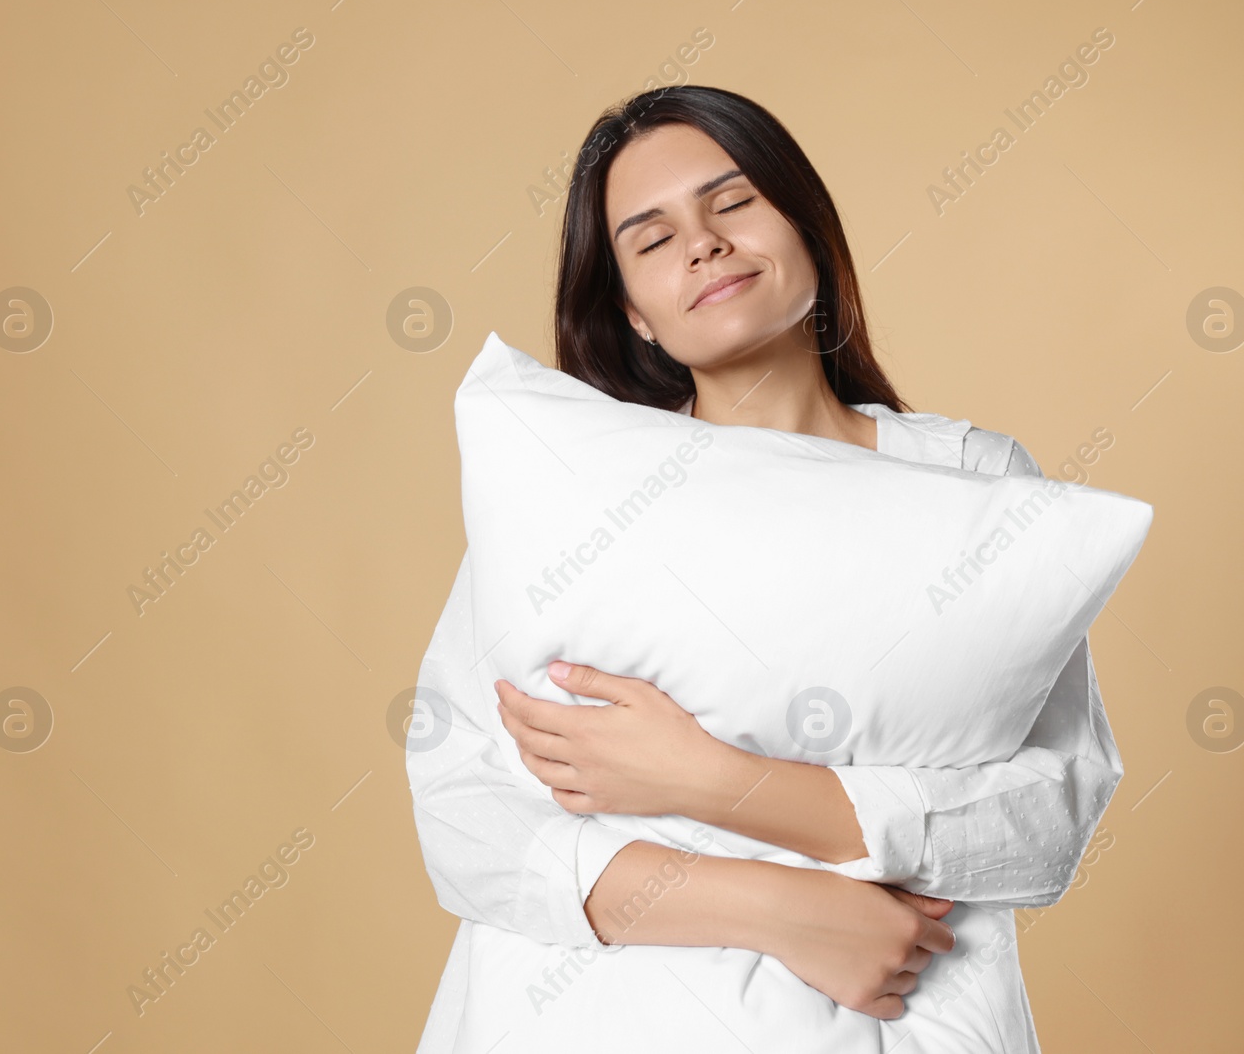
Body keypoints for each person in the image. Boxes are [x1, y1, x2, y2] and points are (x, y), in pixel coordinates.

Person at [408, 85, 1121, 1053]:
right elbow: (466, 814)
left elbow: (1050, 808)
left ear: (809, 230)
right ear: (635, 316)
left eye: (731, 201)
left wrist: (716, 781)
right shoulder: (573, 494)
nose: (700, 242)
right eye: (651, 239)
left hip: (905, 1014)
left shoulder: (970, 485)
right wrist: (777, 905)